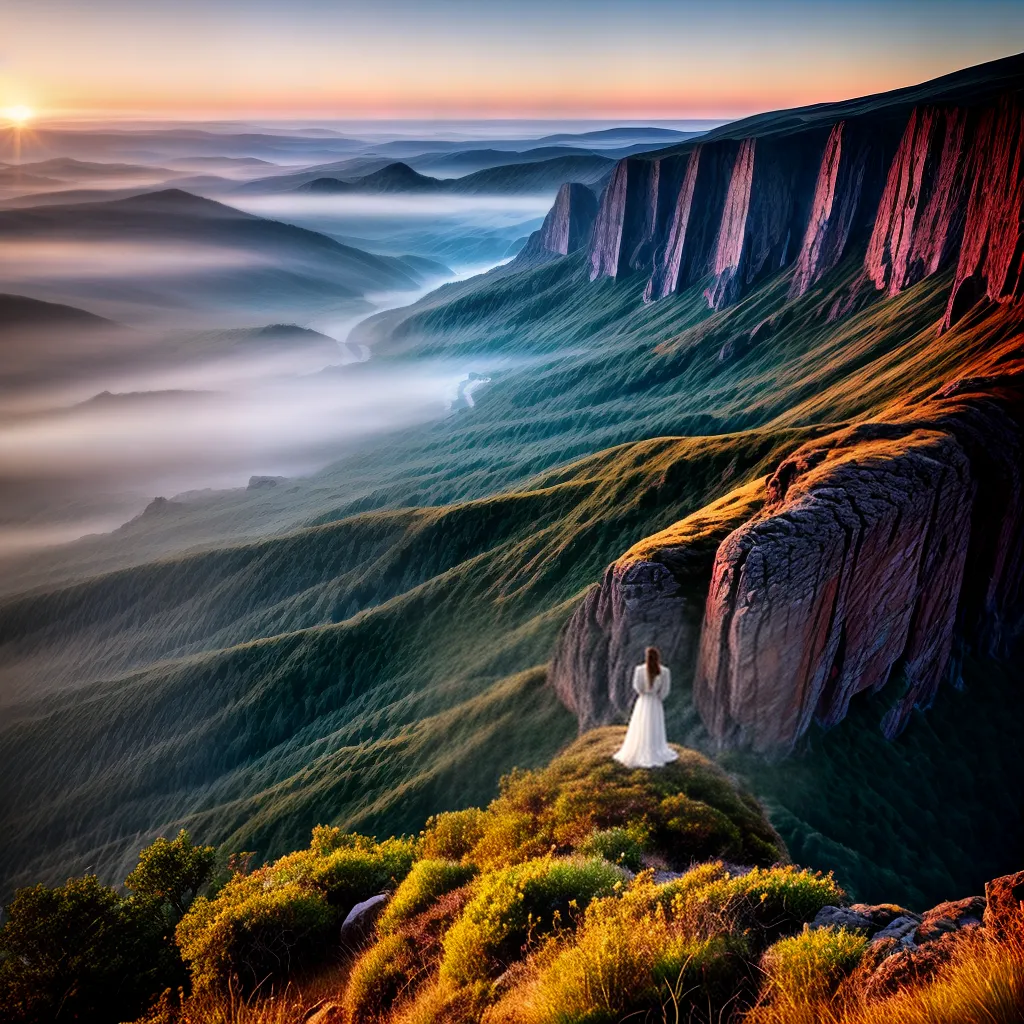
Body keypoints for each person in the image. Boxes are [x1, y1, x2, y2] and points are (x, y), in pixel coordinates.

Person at [612, 646, 678, 768]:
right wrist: (657, 697)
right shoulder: (665, 671)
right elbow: (665, 691)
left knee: (641, 725)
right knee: (654, 726)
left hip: (643, 702)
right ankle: (655, 748)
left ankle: (640, 747)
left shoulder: (639, 670)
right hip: (655, 702)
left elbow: (637, 687)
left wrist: (645, 694)